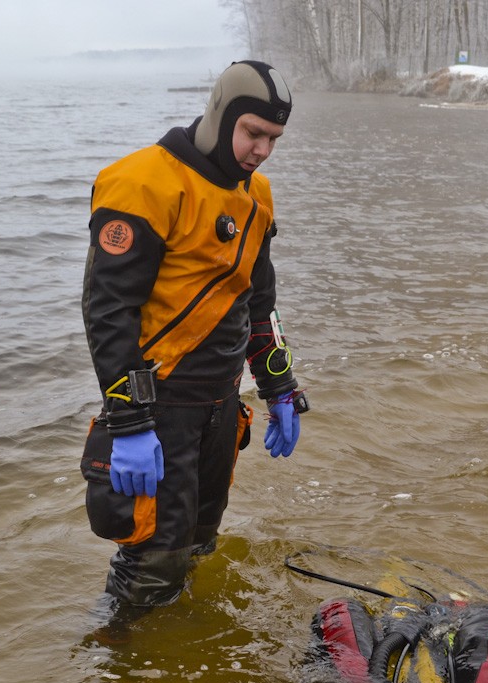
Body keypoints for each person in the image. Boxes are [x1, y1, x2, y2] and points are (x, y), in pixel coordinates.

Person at [81, 60, 309, 609]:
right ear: (220, 115)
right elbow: (107, 312)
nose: (262, 151)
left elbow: (259, 302)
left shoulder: (258, 197)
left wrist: (278, 386)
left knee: (199, 551)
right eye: (254, 133)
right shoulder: (142, 183)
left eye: (274, 139)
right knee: (151, 568)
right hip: (159, 410)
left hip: (220, 406)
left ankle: (189, 674)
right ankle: (118, 677)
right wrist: (130, 422)